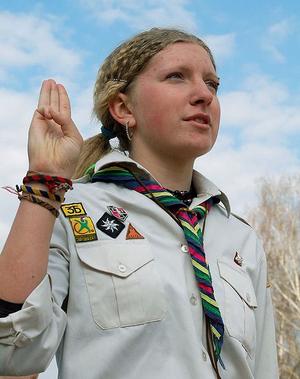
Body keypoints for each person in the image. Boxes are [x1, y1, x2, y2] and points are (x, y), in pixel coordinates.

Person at [0, 28, 278, 379]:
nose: (203, 94)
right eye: (176, 77)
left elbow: (266, 368)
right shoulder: (68, 208)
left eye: (212, 84)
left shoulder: (242, 239)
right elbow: (11, 351)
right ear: (123, 107)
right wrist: (44, 182)